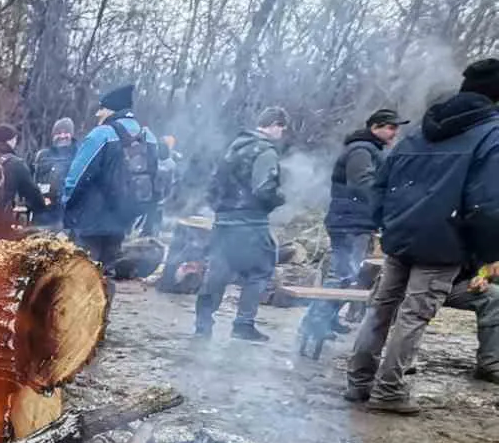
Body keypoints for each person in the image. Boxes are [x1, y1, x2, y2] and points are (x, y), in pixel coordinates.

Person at [347, 60, 499, 412]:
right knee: (413, 315)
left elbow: (381, 183)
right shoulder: (491, 134)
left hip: (401, 236)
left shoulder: (420, 129)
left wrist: (388, 224)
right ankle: (388, 391)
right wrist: (488, 253)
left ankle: (359, 382)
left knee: (381, 309)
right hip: (444, 242)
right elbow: (488, 203)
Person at [302, 108, 408, 338]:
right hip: (350, 221)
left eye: (396, 128)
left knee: (346, 273)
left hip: (354, 220)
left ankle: (325, 320)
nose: (394, 133)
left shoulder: (370, 149)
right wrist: (387, 203)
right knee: (342, 273)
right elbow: (362, 183)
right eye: (390, 127)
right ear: (375, 127)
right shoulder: (361, 150)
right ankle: (315, 322)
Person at [193, 107, 289, 341]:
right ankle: (243, 324)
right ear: (275, 125)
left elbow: (213, 185)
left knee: (218, 273)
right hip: (251, 222)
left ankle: (203, 324)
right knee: (260, 271)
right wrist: (279, 198)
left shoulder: (233, 147)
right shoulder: (265, 151)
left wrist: (220, 209)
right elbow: (263, 189)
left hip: (224, 221)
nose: (282, 134)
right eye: (282, 128)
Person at [63, 83, 159, 277]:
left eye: (102, 108)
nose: (98, 114)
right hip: (123, 220)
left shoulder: (102, 135)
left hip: (91, 222)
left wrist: (66, 210)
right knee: (105, 275)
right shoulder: (148, 137)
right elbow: (156, 177)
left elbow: (77, 177)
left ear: (111, 110)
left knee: (80, 276)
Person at [31, 117, 76, 231]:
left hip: (69, 216)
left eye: (66, 133)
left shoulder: (79, 154)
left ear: (72, 134)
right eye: (58, 133)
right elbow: (31, 182)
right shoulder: (42, 156)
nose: (62, 136)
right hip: (42, 215)